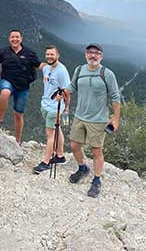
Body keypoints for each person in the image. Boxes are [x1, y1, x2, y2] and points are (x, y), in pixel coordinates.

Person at [64, 43, 121, 198]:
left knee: (96, 150)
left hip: (98, 120)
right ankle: (83, 168)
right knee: (74, 145)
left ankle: (96, 180)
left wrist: (115, 119)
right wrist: (64, 92)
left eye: (96, 53)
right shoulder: (79, 70)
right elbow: (72, 86)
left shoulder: (107, 74)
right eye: (90, 52)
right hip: (79, 116)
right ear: (85, 55)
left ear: (101, 56)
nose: (93, 55)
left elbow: (116, 97)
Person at [0, 29, 40, 144]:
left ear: (21, 39)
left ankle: (18, 141)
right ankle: (0, 121)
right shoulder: (3, 52)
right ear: (9, 39)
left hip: (23, 86)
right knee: (5, 92)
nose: (15, 39)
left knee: (18, 114)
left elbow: (38, 65)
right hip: (7, 80)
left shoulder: (30, 53)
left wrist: (52, 67)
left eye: (17, 37)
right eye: (12, 37)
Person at [33, 45, 70, 173]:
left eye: (52, 54)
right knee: (57, 128)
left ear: (57, 55)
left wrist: (66, 108)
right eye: (47, 54)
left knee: (50, 135)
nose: (49, 56)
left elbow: (67, 90)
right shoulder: (46, 69)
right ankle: (60, 156)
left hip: (55, 108)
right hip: (46, 104)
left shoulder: (62, 71)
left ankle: (46, 162)